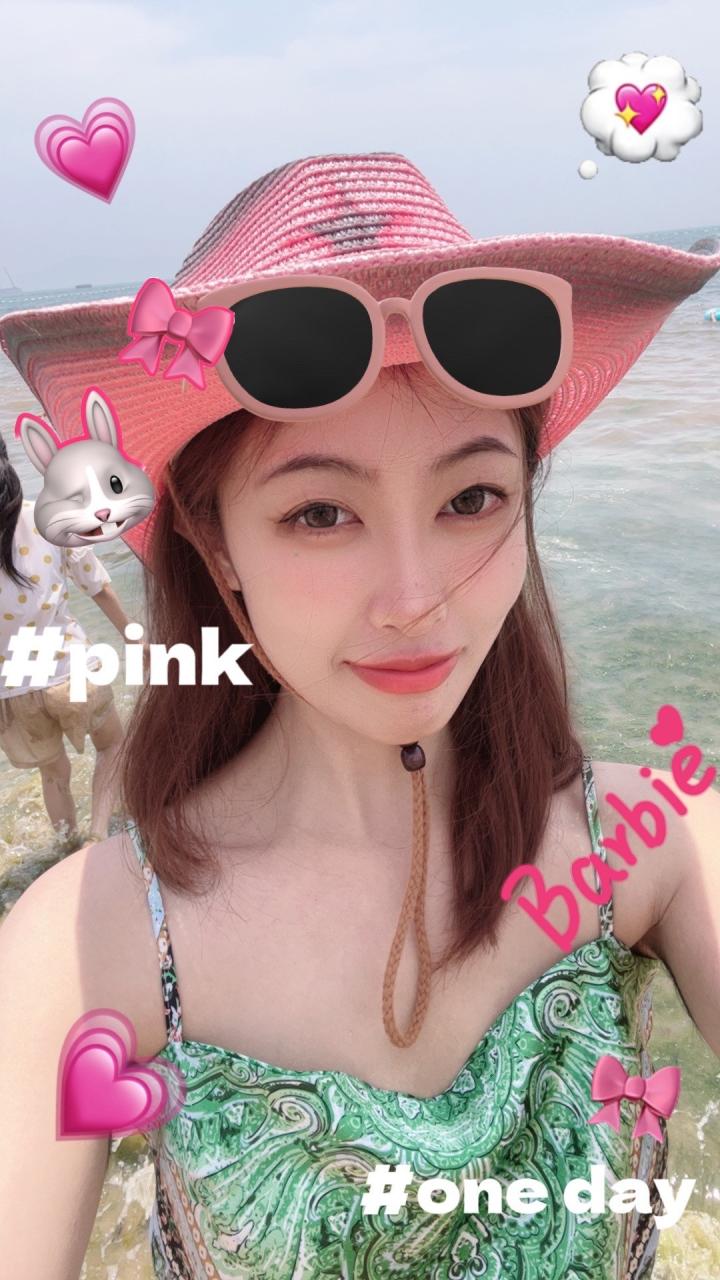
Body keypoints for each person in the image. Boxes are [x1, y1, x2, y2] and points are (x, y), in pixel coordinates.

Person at [0, 151, 718, 1280]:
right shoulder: (88, 945)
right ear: (216, 545)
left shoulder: (658, 840)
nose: (414, 598)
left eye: (471, 497)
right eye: (321, 513)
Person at [0, 432, 129, 853]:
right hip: (71, 673)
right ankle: (98, 833)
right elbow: (98, 586)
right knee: (112, 745)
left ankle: (67, 849)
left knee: (53, 776)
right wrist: (134, 636)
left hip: (14, 691)